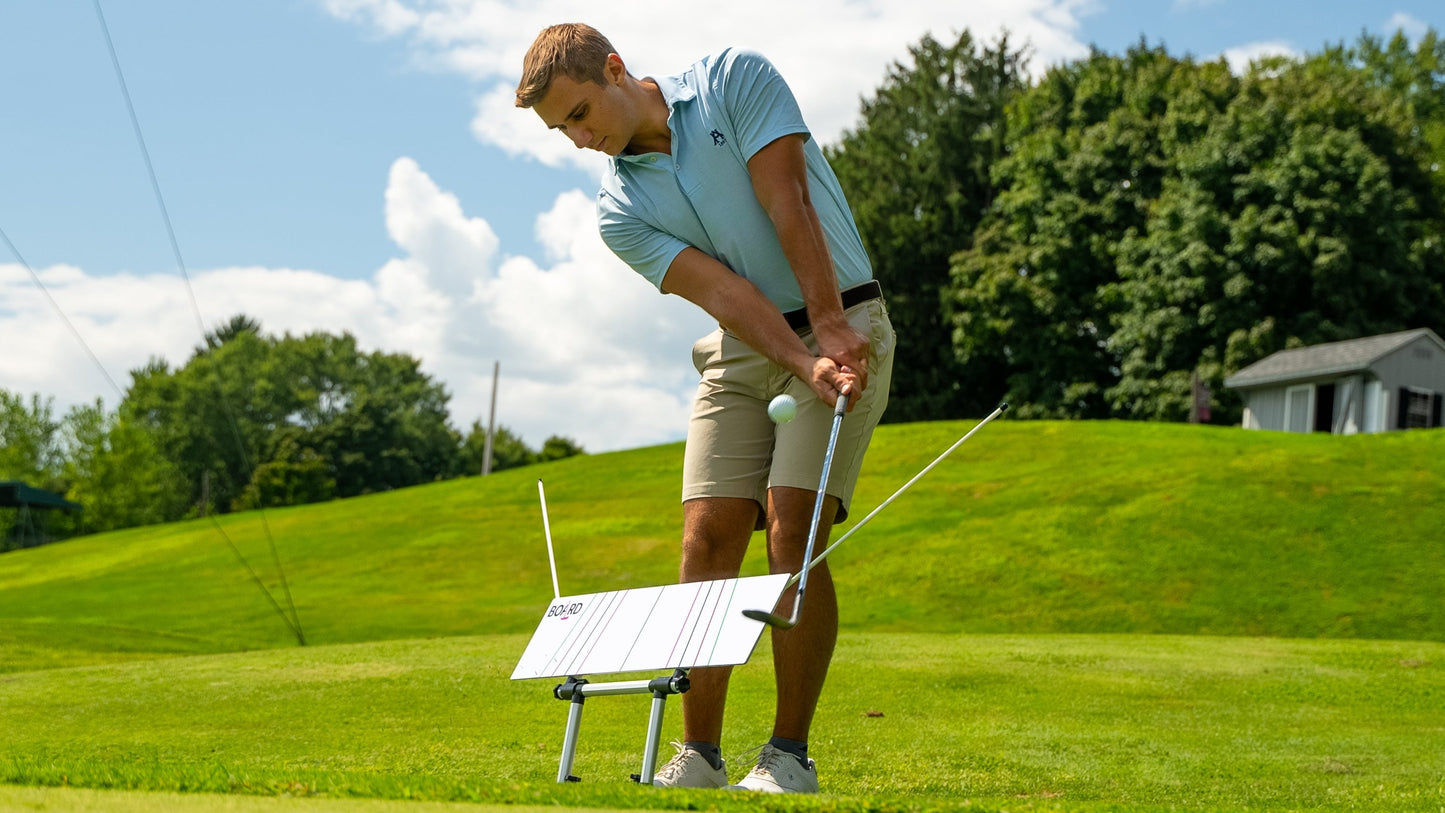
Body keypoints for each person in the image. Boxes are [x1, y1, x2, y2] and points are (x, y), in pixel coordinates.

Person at [516, 23, 895, 794]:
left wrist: (824, 331)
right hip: (740, 347)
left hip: (842, 314)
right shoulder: (617, 209)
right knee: (705, 537)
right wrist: (795, 358)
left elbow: (785, 199)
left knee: (793, 530)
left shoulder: (732, 78)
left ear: (617, 68)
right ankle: (698, 755)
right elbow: (722, 292)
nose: (581, 139)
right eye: (564, 130)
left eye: (582, 114)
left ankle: (788, 754)